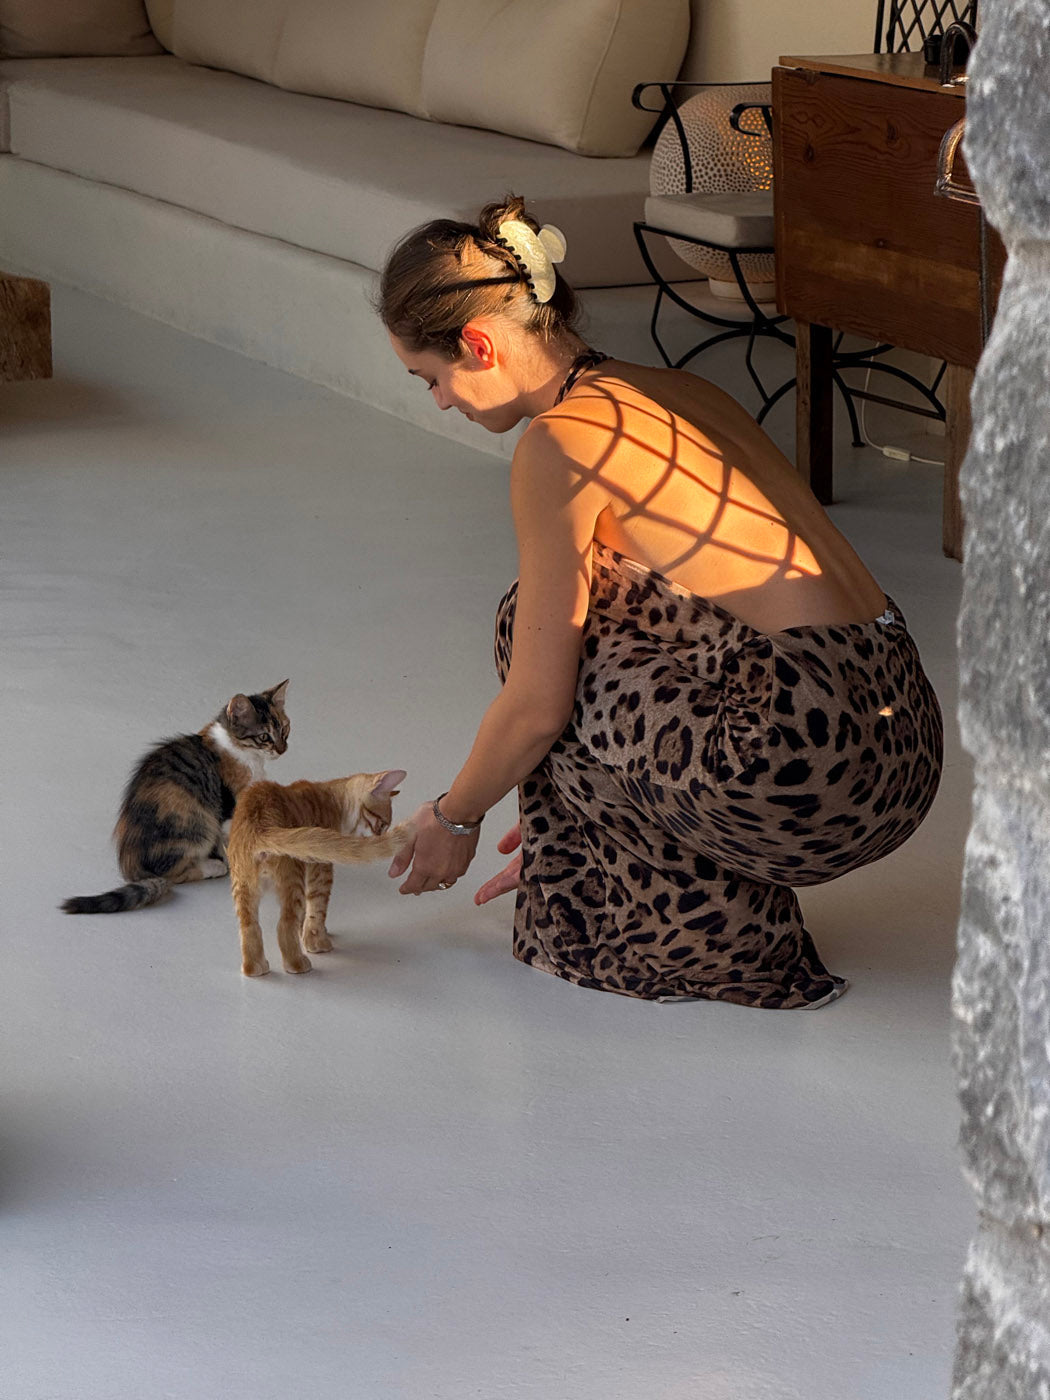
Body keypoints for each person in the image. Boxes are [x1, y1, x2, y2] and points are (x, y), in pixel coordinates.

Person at [377, 195, 943, 1010]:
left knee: (530, 630)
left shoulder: (560, 440)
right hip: (902, 741)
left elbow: (538, 706)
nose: (439, 400)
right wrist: (578, 820)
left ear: (479, 344)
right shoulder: (673, 389)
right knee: (576, 615)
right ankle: (618, 870)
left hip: (807, 764)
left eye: (431, 378)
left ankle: (705, 944)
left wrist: (453, 818)